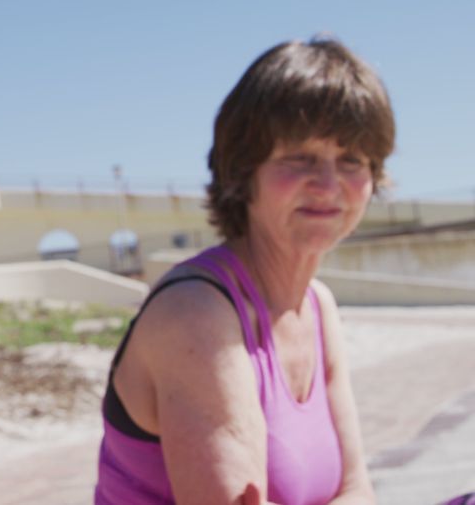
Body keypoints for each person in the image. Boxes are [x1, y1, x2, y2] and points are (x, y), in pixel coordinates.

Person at [95, 37, 395, 504]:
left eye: (352, 160)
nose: (329, 184)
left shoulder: (318, 305)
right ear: (243, 171)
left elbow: (357, 489)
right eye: (300, 157)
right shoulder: (196, 313)